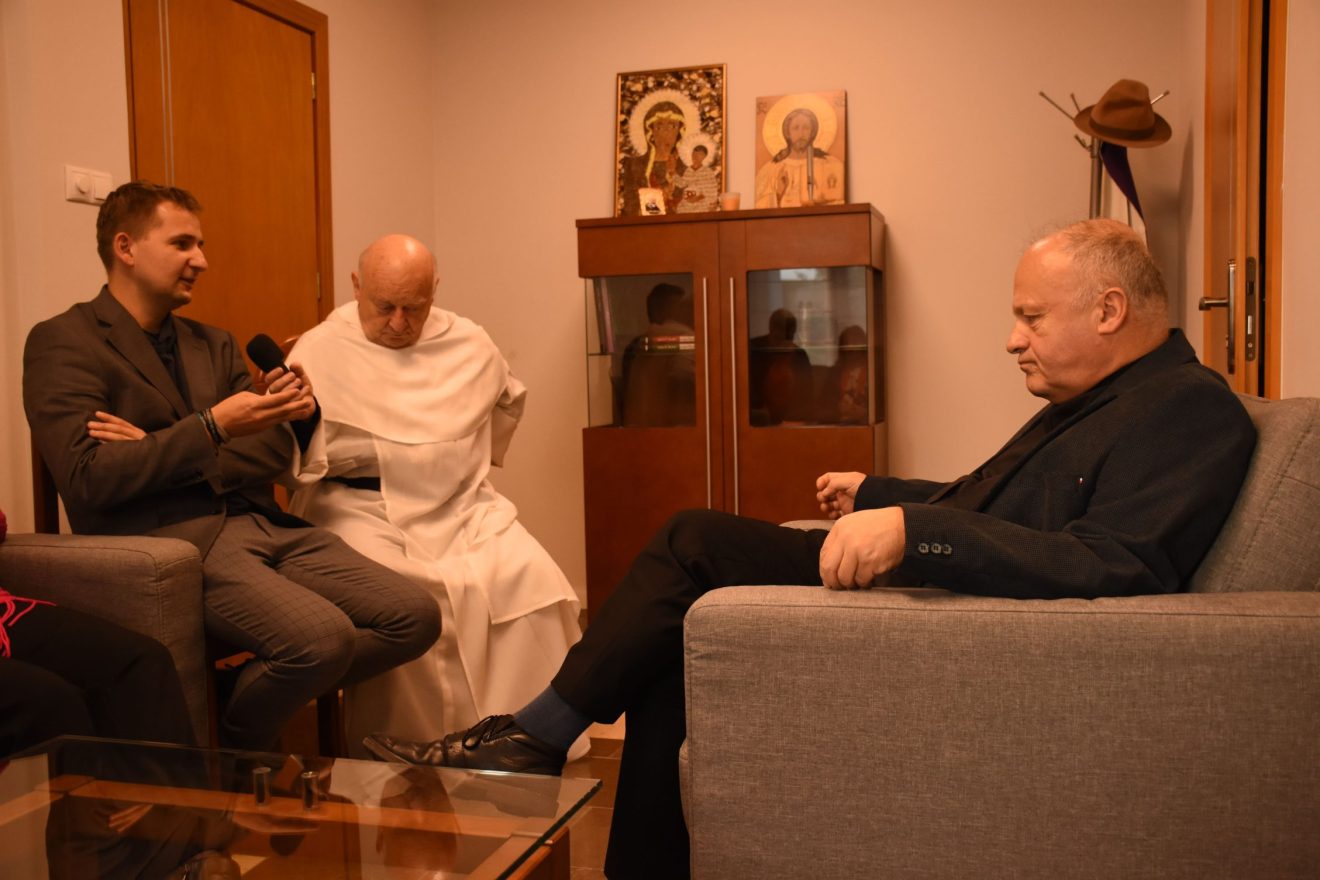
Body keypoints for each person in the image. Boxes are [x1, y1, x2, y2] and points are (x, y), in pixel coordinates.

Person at [363, 219, 1257, 879]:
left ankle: (536, 737)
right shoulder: (1104, 395)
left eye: (1030, 316)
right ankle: (630, 853)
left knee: (692, 540)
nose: (1012, 338)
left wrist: (915, 532)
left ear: (1109, 310)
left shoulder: (1187, 409)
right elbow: (999, 501)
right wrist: (882, 494)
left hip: (958, 625)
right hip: (949, 589)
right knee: (678, 637)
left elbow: (1114, 565)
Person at [22, 181, 440, 752]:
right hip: (171, 541)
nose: (202, 260)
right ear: (126, 247)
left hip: (263, 522)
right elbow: (89, 479)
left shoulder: (214, 344)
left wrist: (158, 443)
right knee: (322, 640)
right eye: (183, 244)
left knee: (415, 616)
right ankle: (242, 756)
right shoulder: (63, 342)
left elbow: (271, 451)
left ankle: (231, 706)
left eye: (201, 245)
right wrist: (212, 427)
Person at [284, 234, 585, 756]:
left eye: (415, 308)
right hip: (358, 506)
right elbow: (293, 452)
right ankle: (406, 745)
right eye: (385, 307)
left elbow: (506, 401)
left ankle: (520, 741)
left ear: (435, 291)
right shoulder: (320, 349)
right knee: (407, 591)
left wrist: (448, 455)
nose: (399, 323)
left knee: (525, 572)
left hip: (460, 505)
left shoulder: (466, 341)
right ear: (356, 287)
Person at [619, 282, 696, 426]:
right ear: (660, 312)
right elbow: (685, 379)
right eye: (679, 308)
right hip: (678, 432)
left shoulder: (638, 346)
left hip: (643, 431)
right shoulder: (684, 339)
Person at [754, 107, 845, 208]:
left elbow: (840, 201)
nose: (801, 134)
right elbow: (758, 206)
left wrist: (819, 202)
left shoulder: (828, 164)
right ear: (788, 133)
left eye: (806, 128)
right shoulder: (772, 169)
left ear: (812, 132)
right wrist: (778, 194)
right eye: (795, 128)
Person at [619, 101, 688, 216]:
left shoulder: (686, 171)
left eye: (672, 126)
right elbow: (630, 209)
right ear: (650, 131)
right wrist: (660, 199)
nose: (666, 132)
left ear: (679, 131)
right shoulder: (634, 166)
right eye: (659, 126)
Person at [673, 143, 719, 214]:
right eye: (694, 154)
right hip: (688, 202)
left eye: (699, 154)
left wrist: (697, 198)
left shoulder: (707, 172)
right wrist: (673, 174)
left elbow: (711, 191)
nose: (695, 156)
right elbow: (683, 184)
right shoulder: (688, 170)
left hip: (702, 203)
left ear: (704, 157)